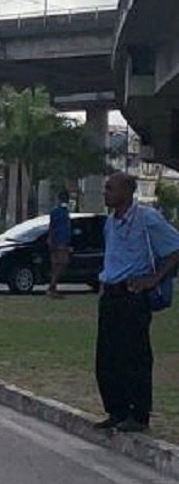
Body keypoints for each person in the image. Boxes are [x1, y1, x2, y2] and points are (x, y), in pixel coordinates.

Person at [95, 172, 179, 433]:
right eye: (105, 188)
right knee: (107, 357)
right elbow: (113, 256)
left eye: (111, 188)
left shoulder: (147, 219)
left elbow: (175, 249)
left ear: (127, 192)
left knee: (134, 355)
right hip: (111, 293)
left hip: (132, 295)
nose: (106, 193)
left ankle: (138, 414)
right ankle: (116, 410)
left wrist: (154, 278)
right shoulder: (110, 223)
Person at [47, 189, 72, 297]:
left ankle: (53, 286)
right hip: (61, 241)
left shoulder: (57, 211)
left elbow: (52, 226)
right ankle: (52, 286)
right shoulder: (62, 212)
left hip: (58, 240)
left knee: (57, 264)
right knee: (61, 263)